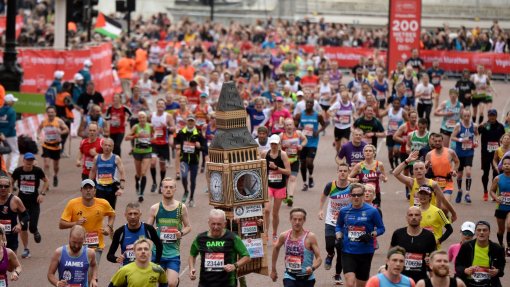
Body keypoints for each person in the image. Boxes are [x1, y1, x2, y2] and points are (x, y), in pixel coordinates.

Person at [336, 183, 385, 287]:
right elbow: (338, 226)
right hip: (348, 250)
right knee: (350, 282)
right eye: (354, 195)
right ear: (350, 195)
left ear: (363, 195)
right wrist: (339, 238)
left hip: (365, 251)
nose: (356, 197)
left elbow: (381, 228)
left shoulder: (372, 211)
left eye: (359, 195)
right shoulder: (344, 211)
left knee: (361, 284)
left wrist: (371, 235)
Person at [188, 209, 250, 287]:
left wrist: (235, 266)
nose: (216, 227)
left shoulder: (232, 238)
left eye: (219, 224)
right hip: (205, 283)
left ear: (224, 224)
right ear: (208, 222)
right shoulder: (200, 238)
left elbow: (247, 256)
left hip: (227, 283)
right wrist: (191, 268)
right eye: (213, 224)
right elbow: (192, 255)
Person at [59, 179, 116, 265]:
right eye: (85, 188)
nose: (88, 190)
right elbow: (61, 224)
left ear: (95, 190)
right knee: (79, 273)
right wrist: (75, 223)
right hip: (77, 245)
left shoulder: (103, 203)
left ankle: (94, 278)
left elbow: (112, 214)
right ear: (81, 190)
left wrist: (109, 227)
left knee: (92, 273)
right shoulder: (72, 204)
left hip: (96, 246)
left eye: (90, 188)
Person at [147, 177, 191, 287]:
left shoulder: (182, 207)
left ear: (175, 189)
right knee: (159, 282)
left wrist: (180, 234)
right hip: (157, 252)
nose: (168, 189)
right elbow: (147, 228)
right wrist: (152, 231)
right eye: (166, 187)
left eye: (171, 187)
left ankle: (175, 281)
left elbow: (188, 227)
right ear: (161, 189)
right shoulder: (155, 208)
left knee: (171, 283)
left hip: (173, 253)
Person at [393, 151, 457, 221]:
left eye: (421, 168)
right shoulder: (411, 182)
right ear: (413, 172)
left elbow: (443, 200)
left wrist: (453, 213)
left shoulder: (433, 184)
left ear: (425, 171)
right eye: (416, 169)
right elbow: (395, 173)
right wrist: (407, 161)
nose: (419, 171)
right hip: (415, 218)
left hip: (430, 218)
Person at [318, 163, 352, 285]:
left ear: (348, 173)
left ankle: (337, 275)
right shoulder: (330, 185)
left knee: (341, 249)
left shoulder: (352, 187)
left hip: (345, 222)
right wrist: (321, 209)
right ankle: (330, 254)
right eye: (340, 170)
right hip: (331, 220)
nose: (342, 173)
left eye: (345, 171)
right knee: (330, 244)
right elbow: (323, 197)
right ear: (337, 172)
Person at [271, 208, 322, 287]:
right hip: (290, 276)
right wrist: (273, 269)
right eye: (294, 219)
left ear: (304, 220)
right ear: (290, 220)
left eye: (300, 220)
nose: (297, 222)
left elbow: (319, 259)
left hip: (307, 278)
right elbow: (276, 248)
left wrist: (312, 268)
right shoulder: (284, 236)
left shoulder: (310, 237)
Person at [11, 152, 49, 258]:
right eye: (27, 160)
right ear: (23, 161)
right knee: (23, 226)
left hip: (34, 202)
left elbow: (46, 181)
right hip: (21, 202)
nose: (29, 162)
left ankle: (35, 231)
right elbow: (11, 181)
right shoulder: (18, 171)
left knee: (32, 226)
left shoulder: (37, 171)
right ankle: (26, 249)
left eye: (31, 160)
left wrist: (42, 194)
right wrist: (11, 195)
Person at [390, 206, 436, 283]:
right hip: (400, 279)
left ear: (421, 218)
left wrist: (433, 281)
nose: (413, 217)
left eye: (416, 215)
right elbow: (390, 255)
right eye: (411, 215)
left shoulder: (429, 236)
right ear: (406, 218)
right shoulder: (398, 234)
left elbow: (433, 260)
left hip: (421, 280)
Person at [107, 202, 162, 267]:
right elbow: (110, 255)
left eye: (135, 214)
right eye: (130, 214)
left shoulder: (148, 229)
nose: (133, 217)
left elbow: (159, 246)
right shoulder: (120, 232)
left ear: (140, 214)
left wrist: (156, 262)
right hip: (127, 269)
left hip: (145, 268)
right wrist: (117, 259)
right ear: (125, 215)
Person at [455, 221, 505, 287]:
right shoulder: (466, 246)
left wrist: (497, 271)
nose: (481, 232)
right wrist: (465, 270)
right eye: (479, 230)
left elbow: (501, 267)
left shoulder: (497, 248)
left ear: (489, 232)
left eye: (484, 230)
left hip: (489, 283)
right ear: (475, 232)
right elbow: (458, 265)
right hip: (468, 283)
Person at [262, 134, 291, 244]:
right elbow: (261, 168)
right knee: (266, 210)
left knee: (275, 213)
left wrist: (276, 168)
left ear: (279, 144)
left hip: (280, 187)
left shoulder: (283, 155)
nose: (273, 146)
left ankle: (274, 234)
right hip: (269, 186)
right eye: (272, 144)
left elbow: (288, 171)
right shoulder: (265, 154)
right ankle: (265, 233)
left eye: (275, 144)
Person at [295, 98, 326, 191]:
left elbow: (324, 124)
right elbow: (295, 125)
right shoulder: (300, 115)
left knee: (309, 162)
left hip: (313, 142)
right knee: (303, 164)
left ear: (313, 104)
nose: (308, 104)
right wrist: (299, 128)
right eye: (307, 102)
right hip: (303, 142)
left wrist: (318, 131)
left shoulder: (318, 115)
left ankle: (311, 176)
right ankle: (305, 183)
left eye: (310, 102)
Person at [175, 115, 205, 207]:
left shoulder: (198, 134)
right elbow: (176, 141)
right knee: (183, 176)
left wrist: (200, 146)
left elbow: (204, 148)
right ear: (186, 122)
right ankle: (186, 191)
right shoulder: (181, 132)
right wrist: (177, 145)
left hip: (194, 161)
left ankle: (191, 198)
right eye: (189, 121)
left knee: (193, 180)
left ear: (194, 122)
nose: (190, 122)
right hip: (184, 159)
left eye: (192, 121)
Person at [88, 138, 126, 209]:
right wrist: (89, 185)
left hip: (111, 188)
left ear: (113, 147)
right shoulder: (97, 158)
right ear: (102, 145)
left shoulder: (116, 158)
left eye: (109, 146)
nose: (107, 147)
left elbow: (122, 172)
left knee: (111, 210)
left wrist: (121, 188)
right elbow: (92, 171)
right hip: (100, 188)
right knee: (99, 210)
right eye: (105, 145)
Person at [425, 133, 460, 209]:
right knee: (436, 208)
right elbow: (425, 171)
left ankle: (447, 219)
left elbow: (457, 161)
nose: (437, 143)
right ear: (433, 142)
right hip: (434, 183)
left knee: (444, 207)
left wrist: (454, 170)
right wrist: (426, 166)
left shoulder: (450, 152)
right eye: (436, 141)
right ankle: (443, 219)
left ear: (442, 141)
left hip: (447, 182)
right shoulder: (429, 154)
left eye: (439, 141)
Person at [38, 106, 70, 188]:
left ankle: (55, 175)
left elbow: (67, 129)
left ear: (55, 113)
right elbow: (39, 128)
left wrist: (61, 132)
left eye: (52, 112)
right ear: (47, 113)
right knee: (46, 164)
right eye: (49, 112)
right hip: (46, 145)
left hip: (56, 146)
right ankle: (47, 182)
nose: (50, 114)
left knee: (56, 166)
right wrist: (38, 136)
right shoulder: (44, 122)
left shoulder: (59, 121)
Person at [451, 109, 478, 204]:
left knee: (469, 173)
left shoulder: (474, 126)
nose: (466, 118)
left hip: (469, 152)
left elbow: (476, 135)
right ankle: (459, 191)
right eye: (465, 116)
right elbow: (452, 137)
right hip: (459, 153)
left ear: (470, 116)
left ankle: (467, 193)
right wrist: (461, 139)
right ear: (462, 116)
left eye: (468, 116)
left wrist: (476, 142)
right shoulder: (458, 126)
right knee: (459, 174)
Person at [125, 111, 153, 202]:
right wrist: (136, 136)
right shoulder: (135, 127)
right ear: (138, 119)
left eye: (143, 117)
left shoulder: (150, 126)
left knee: (144, 172)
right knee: (138, 173)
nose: (142, 119)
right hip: (137, 152)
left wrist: (152, 139)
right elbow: (127, 137)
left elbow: (155, 135)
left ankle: (141, 193)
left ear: (146, 118)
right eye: (140, 118)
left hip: (147, 151)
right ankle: (137, 181)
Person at [478, 109, 505, 201]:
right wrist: (479, 126)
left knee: (495, 173)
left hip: (497, 154)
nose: (492, 117)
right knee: (485, 173)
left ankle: (493, 191)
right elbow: (476, 133)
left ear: (496, 116)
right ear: (488, 116)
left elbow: (504, 137)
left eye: (493, 115)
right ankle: (485, 191)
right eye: (490, 115)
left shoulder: (500, 127)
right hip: (486, 153)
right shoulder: (484, 126)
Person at [149, 99, 175, 193]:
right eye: (159, 103)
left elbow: (173, 128)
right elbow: (148, 126)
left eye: (162, 104)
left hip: (164, 144)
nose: (160, 105)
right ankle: (154, 183)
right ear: (156, 105)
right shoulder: (152, 115)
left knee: (162, 165)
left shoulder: (168, 116)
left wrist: (167, 127)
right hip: (154, 143)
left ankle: (161, 184)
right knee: (152, 163)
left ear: (164, 106)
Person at [280, 118, 307, 207]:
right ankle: (286, 194)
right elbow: (276, 146)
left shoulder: (298, 133)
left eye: (290, 125)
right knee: (285, 180)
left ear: (293, 126)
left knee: (292, 178)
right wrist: (282, 146)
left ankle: (290, 197)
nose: (289, 126)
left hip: (295, 159)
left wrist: (301, 145)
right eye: (287, 125)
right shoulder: (281, 135)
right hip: (284, 161)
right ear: (284, 127)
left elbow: (305, 140)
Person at [416, 185, 453, 249]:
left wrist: (439, 241)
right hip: (419, 247)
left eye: (425, 194)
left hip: (434, 249)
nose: (423, 196)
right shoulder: (415, 211)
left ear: (430, 196)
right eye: (421, 194)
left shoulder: (437, 211)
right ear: (418, 196)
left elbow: (450, 229)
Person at [0, 175, 28, 254]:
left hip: (10, 237)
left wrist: (20, 225)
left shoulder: (15, 200)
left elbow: (26, 216)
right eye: (1, 186)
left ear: (9, 187)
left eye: (6, 186)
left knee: (12, 263)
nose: (3, 188)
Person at [490, 156, 510, 255]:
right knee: (501, 230)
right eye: (505, 164)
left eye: (509, 164)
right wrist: (496, 197)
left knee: (509, 225)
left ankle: (509, 246)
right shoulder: (497, 178)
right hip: (501, 207)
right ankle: (501, 244)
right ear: (502, 166)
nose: (507, 166)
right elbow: (492, 191)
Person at [379, 97, 407, 170]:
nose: (396, 105)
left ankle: (397, 162)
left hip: (398, 135)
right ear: (392, 104)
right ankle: (392, 166)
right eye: (395, 103)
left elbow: (408, 121)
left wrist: (404, 130)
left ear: (400, 104)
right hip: (390, 134)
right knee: (390, 152)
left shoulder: (403, 112)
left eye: (398, 103)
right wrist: (376, 108)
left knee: (396, 150)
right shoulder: (389, 110)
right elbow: (380, 115)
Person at [0, 94, 19, 174]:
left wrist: (2, 134)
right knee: (15, 152)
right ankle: (12, 169)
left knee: (4, 152)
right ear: (9, 102)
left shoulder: (0, 110)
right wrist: (6, 134)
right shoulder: (12, 111)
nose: (13, 102)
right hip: (10, 135)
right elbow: (12, 124)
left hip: (1, 135)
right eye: (13, 101)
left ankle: (3, 168)